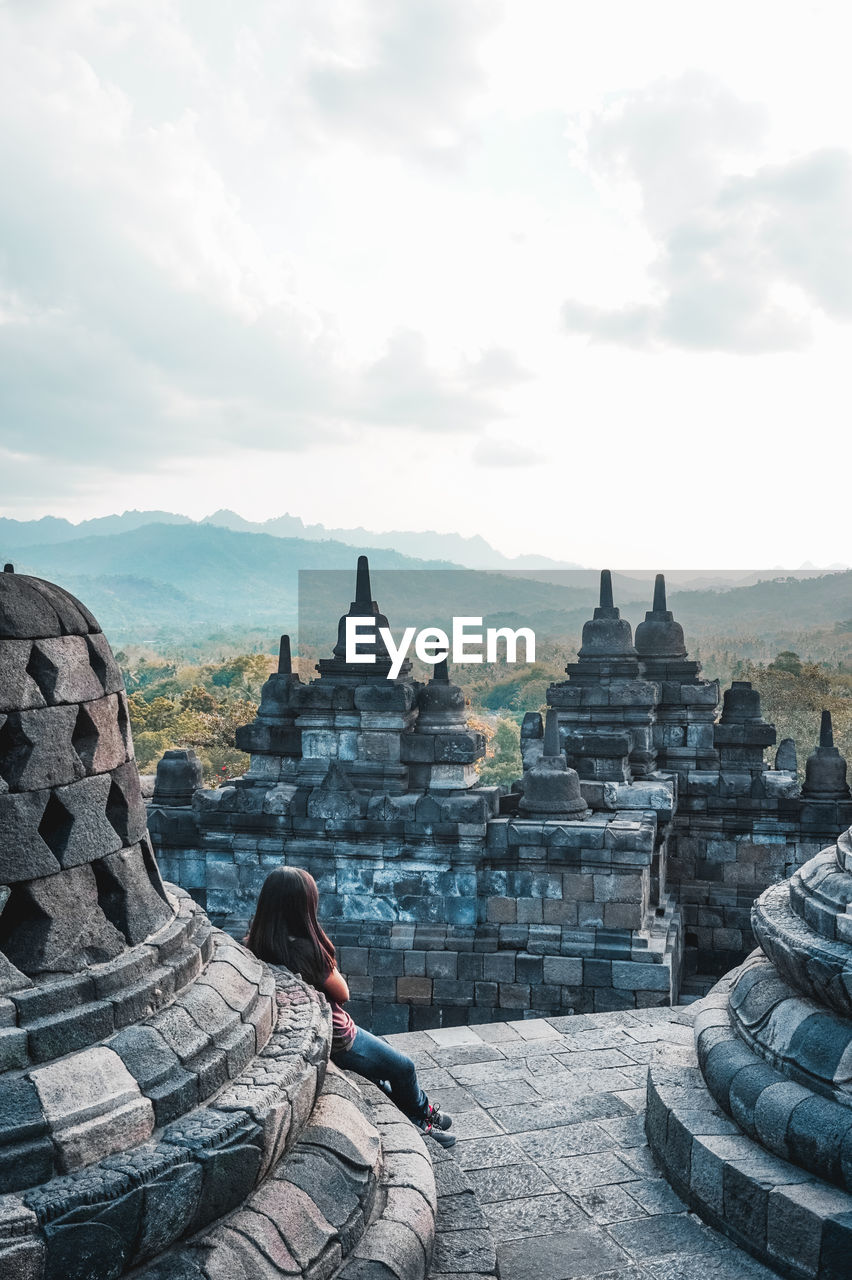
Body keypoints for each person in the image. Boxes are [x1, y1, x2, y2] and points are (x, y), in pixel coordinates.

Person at [245, 865, 455, 1147]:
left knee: (382, 1080)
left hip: (313, 1034)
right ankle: (422, 1120)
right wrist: (322, 952)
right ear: (302, 908)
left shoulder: (252, 945)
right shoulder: (305, 950)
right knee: (404, 1068)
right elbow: (342, 992)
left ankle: (422, 1114)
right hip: (341, 1037)